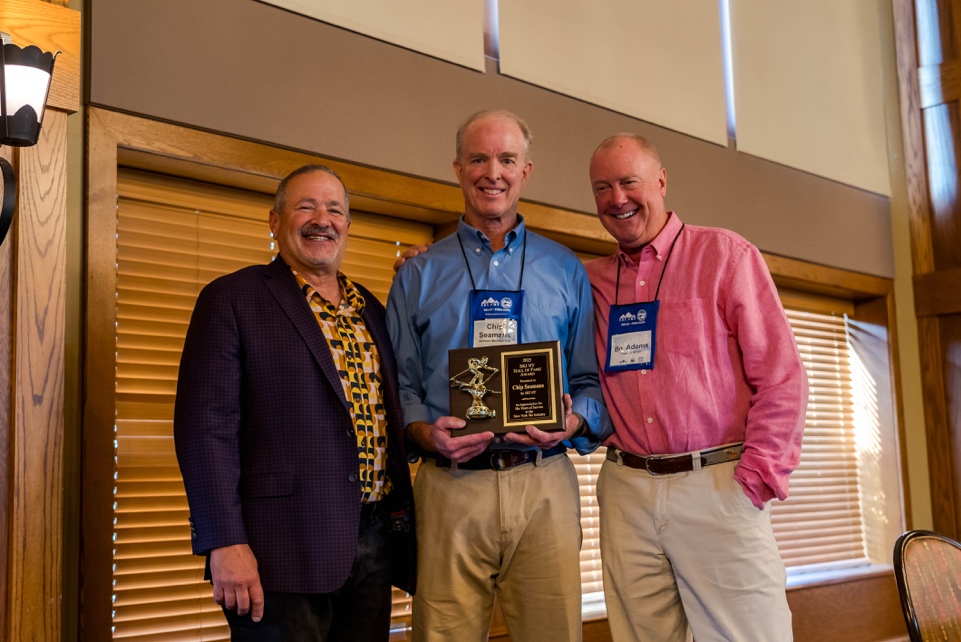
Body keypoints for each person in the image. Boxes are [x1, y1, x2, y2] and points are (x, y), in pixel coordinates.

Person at [386, 109, 608, 642]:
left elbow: (591, 381)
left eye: (507, 159)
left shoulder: (565, 269)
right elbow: (401, 389)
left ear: (526, 171)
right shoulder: (417, 274)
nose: (494, 172)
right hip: (450, 488)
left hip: (545, 483)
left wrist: (574, 421)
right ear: (458, 169)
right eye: (480, 158)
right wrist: (423, 434)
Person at [174, 165, 416, 641]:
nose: (321, 218)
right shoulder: (232, 299)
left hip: (371, 541)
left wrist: (428, 270)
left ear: (347, 225)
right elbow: (205, 429)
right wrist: (225, 540)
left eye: (335, 209)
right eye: (306, 206)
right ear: (275, 220)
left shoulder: (370, 307)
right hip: (278, 551)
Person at [585, 133, 808, 642]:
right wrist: (424, 267)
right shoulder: (589, 282)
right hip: (626, 492)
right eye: (602, 187)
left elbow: (781, 377)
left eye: (628, 182)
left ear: (661, 181)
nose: (617, 198)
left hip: (718, 483)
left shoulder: (725, 256)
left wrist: (753, 480)